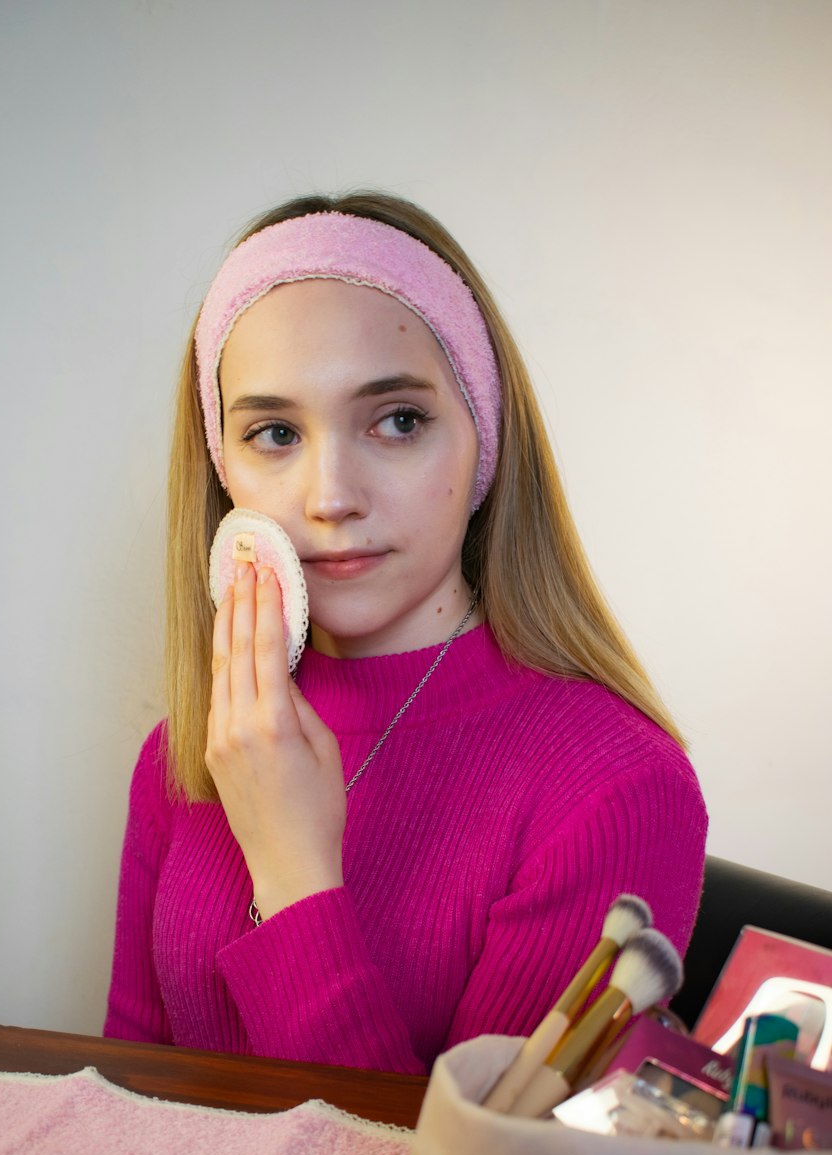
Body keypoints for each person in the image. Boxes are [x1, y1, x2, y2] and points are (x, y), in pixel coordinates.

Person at [103, 191, 707, 1072]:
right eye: (275, 433)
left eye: (398, 421)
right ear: (222, 470)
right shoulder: (194, 743)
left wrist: (295, 874)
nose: (331, 497)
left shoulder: (618, 788)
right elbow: (123, 1100)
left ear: (483, 445)